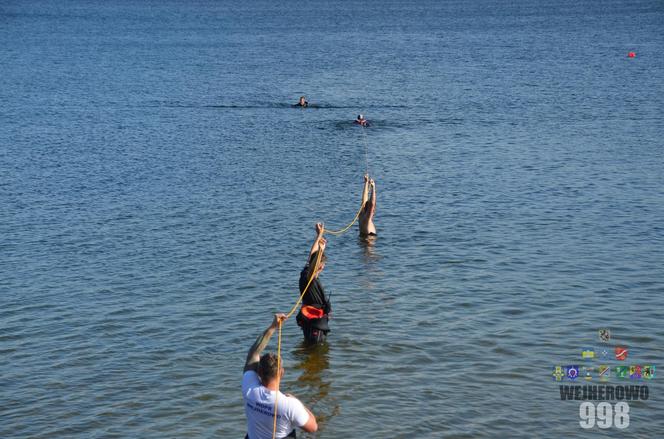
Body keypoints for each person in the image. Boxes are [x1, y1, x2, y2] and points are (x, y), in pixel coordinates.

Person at [243, 313, 318, 438]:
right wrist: (299, 403)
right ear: (281, 373)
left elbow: (253, 353)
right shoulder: (290, 405)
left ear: (259, 373)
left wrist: (273, 327)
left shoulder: (249, 388)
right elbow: (313, 427)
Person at [296, 223, 331, 344]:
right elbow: (312, 258)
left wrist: (319, 236)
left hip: (309, 322)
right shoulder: (310, 279)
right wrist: (320, 246)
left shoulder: (305, 274)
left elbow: (311, 256)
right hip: (315, 325)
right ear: (320, 266)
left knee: (308, 348)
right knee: (315, 348)